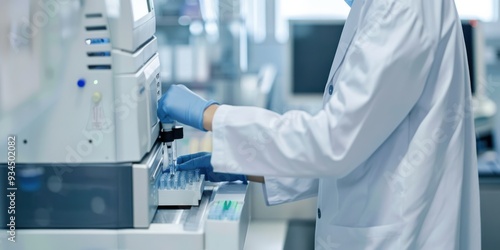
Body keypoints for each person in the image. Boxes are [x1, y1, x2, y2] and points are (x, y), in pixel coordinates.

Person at [158, 0, 481, 249]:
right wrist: (249, 165)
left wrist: (210, 114)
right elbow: (357, 144)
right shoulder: (377, 9)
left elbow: (333, 142)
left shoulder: (401, 7)